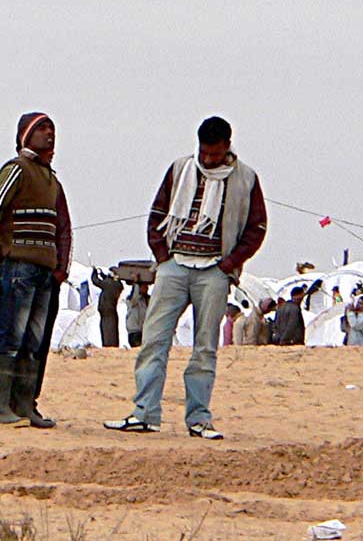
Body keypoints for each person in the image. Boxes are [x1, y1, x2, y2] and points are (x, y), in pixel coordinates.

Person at [105, 115, 267, 440]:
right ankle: (145, 413)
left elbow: (256, 228)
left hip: (214, 272)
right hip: (175, 266)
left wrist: (229, 264)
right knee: (153, 340)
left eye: (215, 154)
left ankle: (198, 419)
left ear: (227, 147)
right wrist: (162, 257)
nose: (208, 160)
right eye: (204, 153)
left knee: (204, 348)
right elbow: (157, 214)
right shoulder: (181, 169)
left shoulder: (246, 179)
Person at [0, 111, 72, 428]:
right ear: (25, 136)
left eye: (51, 129)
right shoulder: (17, 170)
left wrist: (60, 267)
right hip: (18, 266)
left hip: (44, 271)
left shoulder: (52, 180)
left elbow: (63, 228)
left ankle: (22, 405)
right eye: (41, 129)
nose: (49, 134)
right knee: (10, 336)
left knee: (34, 341)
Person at [91, 268, 124, 347]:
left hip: (106, 310)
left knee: (107, 329)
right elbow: (106, 281)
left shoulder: (109, 284)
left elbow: (96, 281)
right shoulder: (117, 285)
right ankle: (111, 344)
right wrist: (102, 275)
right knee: (112, 329)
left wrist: (94, 273)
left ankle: (108, 344)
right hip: (111, 310)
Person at [125, 283, 149, 347]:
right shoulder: (130, 300)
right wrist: (136, 283)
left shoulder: (146, 300)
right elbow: (135, 298)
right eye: (144, 287)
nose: (146, 289)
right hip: (134, 331)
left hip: (144, 331)